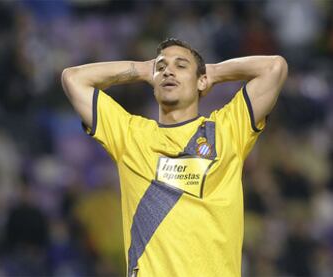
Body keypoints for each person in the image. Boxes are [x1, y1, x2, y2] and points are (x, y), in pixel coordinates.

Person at [61, 38, 288, 277]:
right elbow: (73, 78)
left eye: (181, 66)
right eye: (161, 67)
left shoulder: (228, 130)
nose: (168, 70)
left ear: (200, 81)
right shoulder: (130, 136)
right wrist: (143, 69)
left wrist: (213, 73)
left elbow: (274, 67)